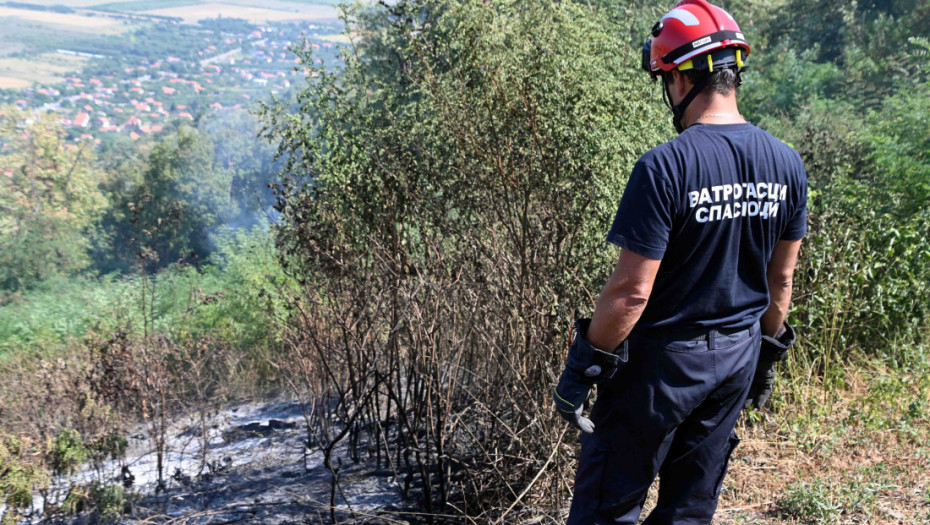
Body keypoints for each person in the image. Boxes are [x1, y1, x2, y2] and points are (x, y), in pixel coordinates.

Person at [551, 0, 808, 523]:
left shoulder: (665, 167)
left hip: (660, 369)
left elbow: (631, 294)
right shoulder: (786, 162)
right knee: (688, 510)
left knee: (607, 507)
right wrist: (765, 357)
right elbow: (780, 281)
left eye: (666, 78)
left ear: (682, 78)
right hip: (736, 357)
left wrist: (584, 364)